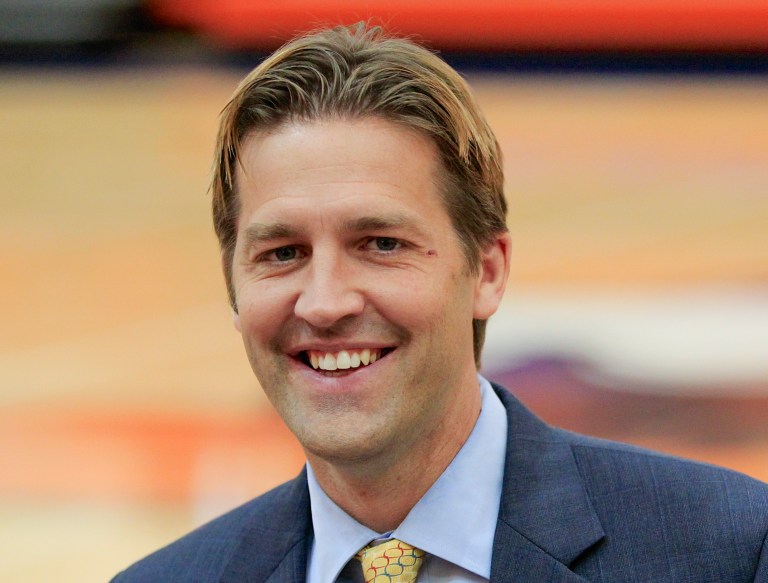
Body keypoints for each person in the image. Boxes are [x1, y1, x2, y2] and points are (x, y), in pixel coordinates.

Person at [113, 23, 768, 583]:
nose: (324, 301)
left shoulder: (729, 549)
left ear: (486, 270)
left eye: (381, 242)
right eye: (282, 252)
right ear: (233, 287)